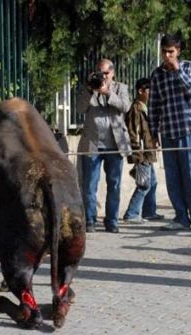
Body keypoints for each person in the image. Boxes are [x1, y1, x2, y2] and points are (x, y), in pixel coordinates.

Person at [148, 33, 191, 232]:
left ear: (178, 51)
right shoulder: (157, 74)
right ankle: (181, 216)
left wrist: (177, 71)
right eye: (164, 52)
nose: (167, 56)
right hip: (167, 131)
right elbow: (154, 104)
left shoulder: (189, 67)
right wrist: (153, 132)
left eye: (171, 52)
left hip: (188, 129)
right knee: (173, 177)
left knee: (190, 175)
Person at [77, 59, 131, 234]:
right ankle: (90, 221)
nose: (103, 76)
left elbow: (126, 106)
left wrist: (107, 92)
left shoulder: (120, 88)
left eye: (106, 73)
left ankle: (112, 221)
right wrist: (90, 91)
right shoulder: (88, 87)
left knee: (114, 185)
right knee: (89, 185)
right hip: (92, 144)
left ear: (112, 73)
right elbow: (79, 108)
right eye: (100, 73)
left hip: (115, 145)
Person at [123, 78, 165, 224]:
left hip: (148, 152)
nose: (152, 94)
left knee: (152, 183)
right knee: (144, 184)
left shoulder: (146, 108)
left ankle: (149, 212)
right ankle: (132, 213)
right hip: (142, 153)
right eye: (149, 91)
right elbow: (133, 133)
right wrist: (137, 153)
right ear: (141, 91)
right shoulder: (136, 109)